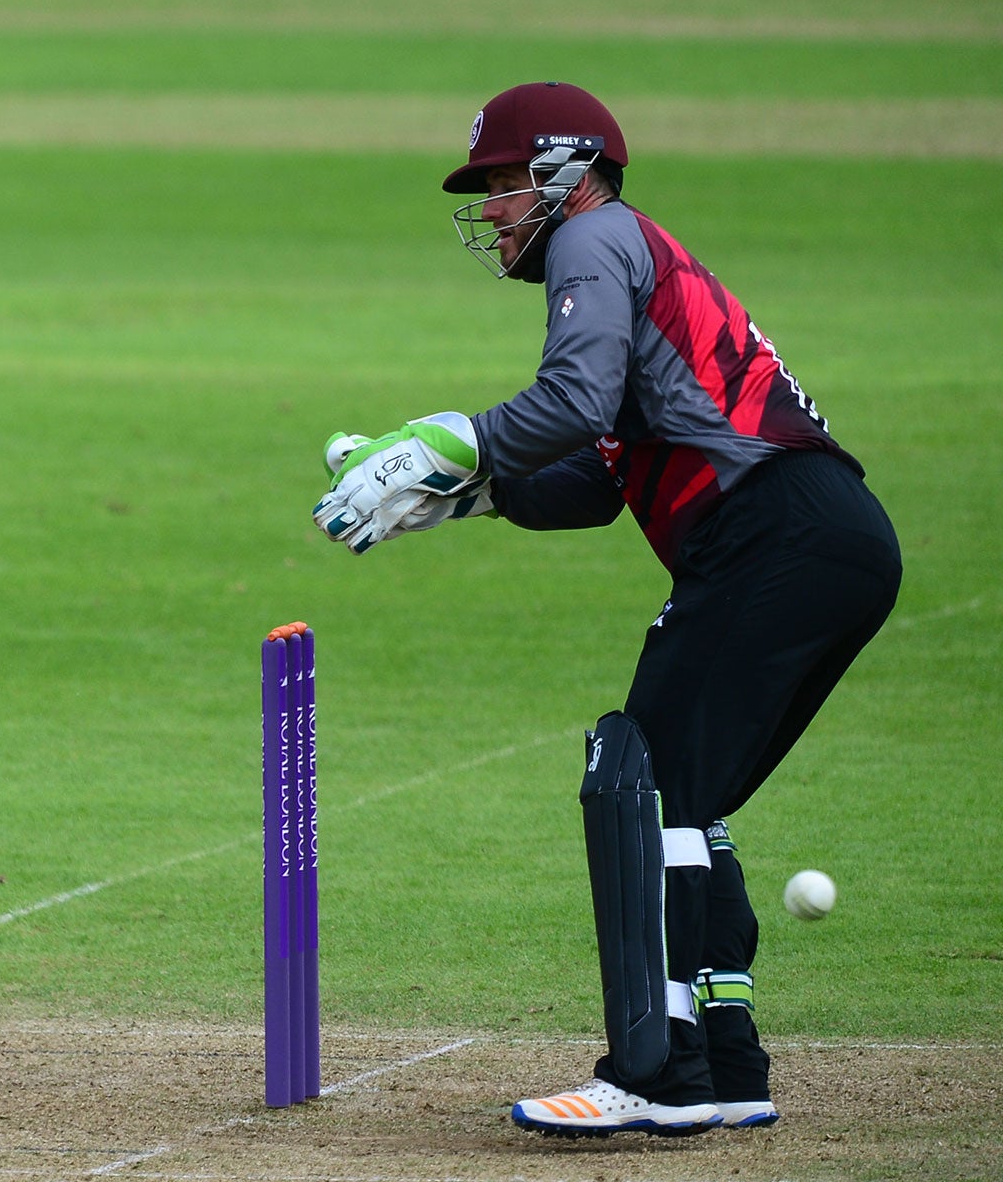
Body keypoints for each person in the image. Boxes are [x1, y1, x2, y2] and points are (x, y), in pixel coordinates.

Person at [312, 81, 900, 1136]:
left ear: (561, 170)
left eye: (499, 183)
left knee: (642, 784)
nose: (489, 208)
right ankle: (721, 1068)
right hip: (825, 540)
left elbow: (570, 403)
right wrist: (456, 497)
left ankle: (658, 1075)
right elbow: (591, 477)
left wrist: (445, 444)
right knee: (681, 798)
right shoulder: (634, 260)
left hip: (768, 537)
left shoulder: (594, 240)